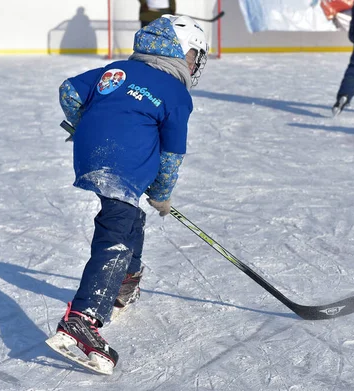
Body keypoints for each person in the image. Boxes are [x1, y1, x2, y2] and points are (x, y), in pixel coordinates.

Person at [45, 15, 209, 375]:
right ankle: (82, 319)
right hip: (125, 164)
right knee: (115, 235)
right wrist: (163, 192)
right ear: (183, 52)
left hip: (91, 155)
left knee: (128, 215)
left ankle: (127, 280)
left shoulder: (117, 69)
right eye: (195, 55)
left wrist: (86, 122)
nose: (196, 63)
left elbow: (70, 90)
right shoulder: (177, 93)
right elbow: (171, 153)